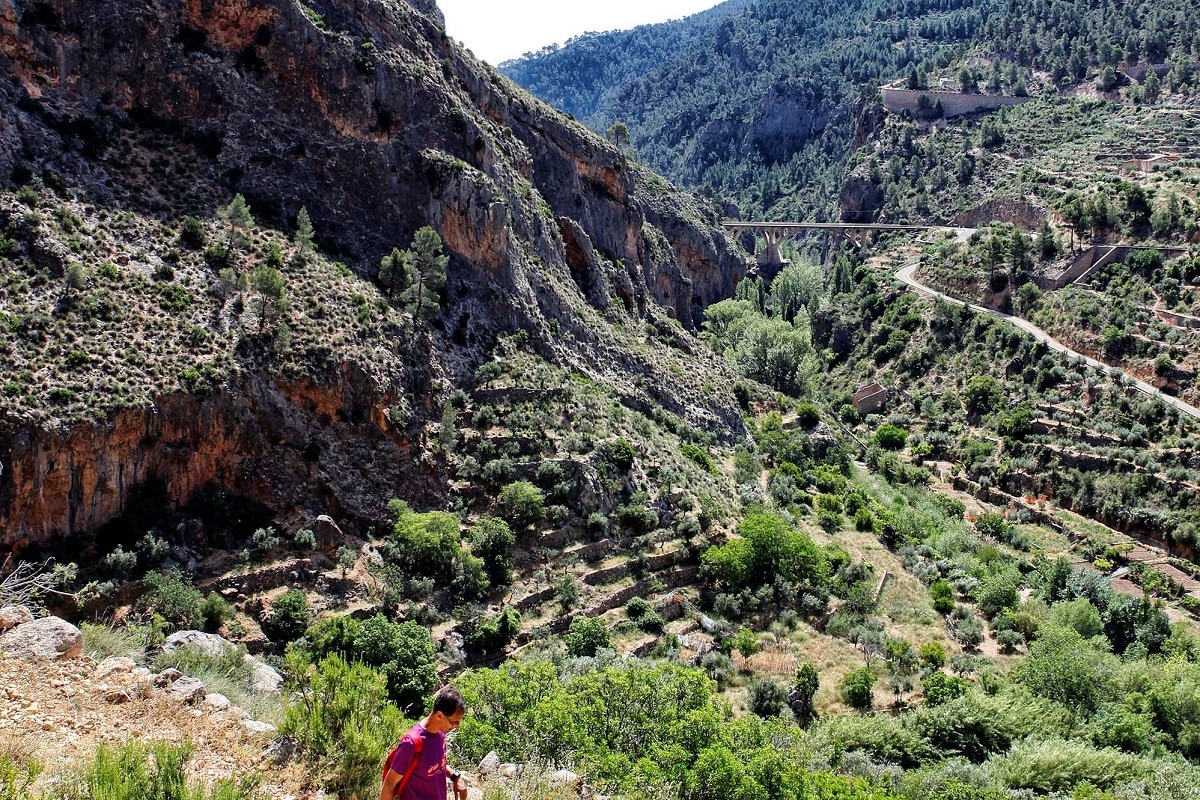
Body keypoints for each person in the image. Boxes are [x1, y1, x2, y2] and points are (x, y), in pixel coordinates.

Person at [381, 686, 468, 800]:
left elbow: (434, 764)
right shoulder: (411, 743)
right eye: (454, 723)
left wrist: (455, 776)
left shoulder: (440, 734)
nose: (456, 727)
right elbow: (389, 785)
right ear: (439, 715)